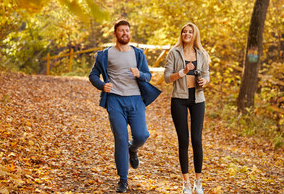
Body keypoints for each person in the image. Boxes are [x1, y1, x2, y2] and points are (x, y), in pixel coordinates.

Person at [89, 20, 161, 193]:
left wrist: (140, 74)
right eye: (121, 31)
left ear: (130, 33)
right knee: (120, 139)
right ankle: (123, 180)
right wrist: (101, 85)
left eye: (127, 30)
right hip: (115, 100)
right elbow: (93, 75)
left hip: (135, 99)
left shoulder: (138, 54)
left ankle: (133, 148)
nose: (124, 33)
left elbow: (148, 76)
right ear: (115, 34)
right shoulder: (105, 55)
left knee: (142, 135)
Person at [164, 23, 210, 194]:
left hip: (198, 99)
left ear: (195, 35)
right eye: (184, 31)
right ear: (181, 34)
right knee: (183, 141)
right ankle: (186, 183)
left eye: (190, 32)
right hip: (179, 100)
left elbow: (206, 75)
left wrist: (204, 81)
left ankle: (198, 182)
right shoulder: (174, 52)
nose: (187, 34)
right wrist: (183, 71)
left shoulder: (202, 54)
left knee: (196, 140)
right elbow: (167, 78)